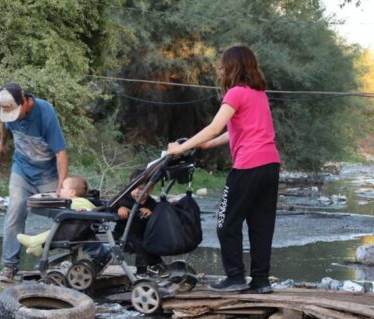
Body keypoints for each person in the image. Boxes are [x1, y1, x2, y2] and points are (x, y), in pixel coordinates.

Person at [166, 46, 280, 294]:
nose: (219, 69)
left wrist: (181, 147)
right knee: (261, 225)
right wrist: (207, 144)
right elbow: (234, 131)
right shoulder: (258, 94)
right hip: (270, 164)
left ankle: (235, 277)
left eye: (222, 65)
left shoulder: (236, 93)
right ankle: (261, 281)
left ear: (233, 66)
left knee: (226, 223)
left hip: (248, 165)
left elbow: (214, 127)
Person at [0, 82, 69, 279]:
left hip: (47, 174)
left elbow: (61, 153)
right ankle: (9, 266)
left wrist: (61, 185)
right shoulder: (8, 109)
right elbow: (4, 123)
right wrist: (2, 142)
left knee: (64, 215)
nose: (12, 117)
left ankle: (72, 260)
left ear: (26, 103)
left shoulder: (45, 112)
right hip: (21, 170)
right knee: (15, 209)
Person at [16, 175, 95, 256]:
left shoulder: (78, 201)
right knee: (55, 230)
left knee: (54, 231)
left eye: (62, 188)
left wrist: (84, 209)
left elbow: (88, 209)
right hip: (78, 231)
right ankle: (38, 248)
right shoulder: (79, 201)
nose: (59, 190)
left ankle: (33, 241)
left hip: (74, 232)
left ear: (72, 192)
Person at [114, 168, 164, 275]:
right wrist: (119, 208)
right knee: (142, 245)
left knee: (152, 245)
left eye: (141, 189)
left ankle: (158, 265)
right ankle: (141, 271)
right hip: (123, 235)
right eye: (134, 188)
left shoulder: (151, 203)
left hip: (143, 235)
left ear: (150, 190)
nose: (137, 191)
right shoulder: (123, 199)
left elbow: (157, 216)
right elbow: (109, 207)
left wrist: (150, 213)